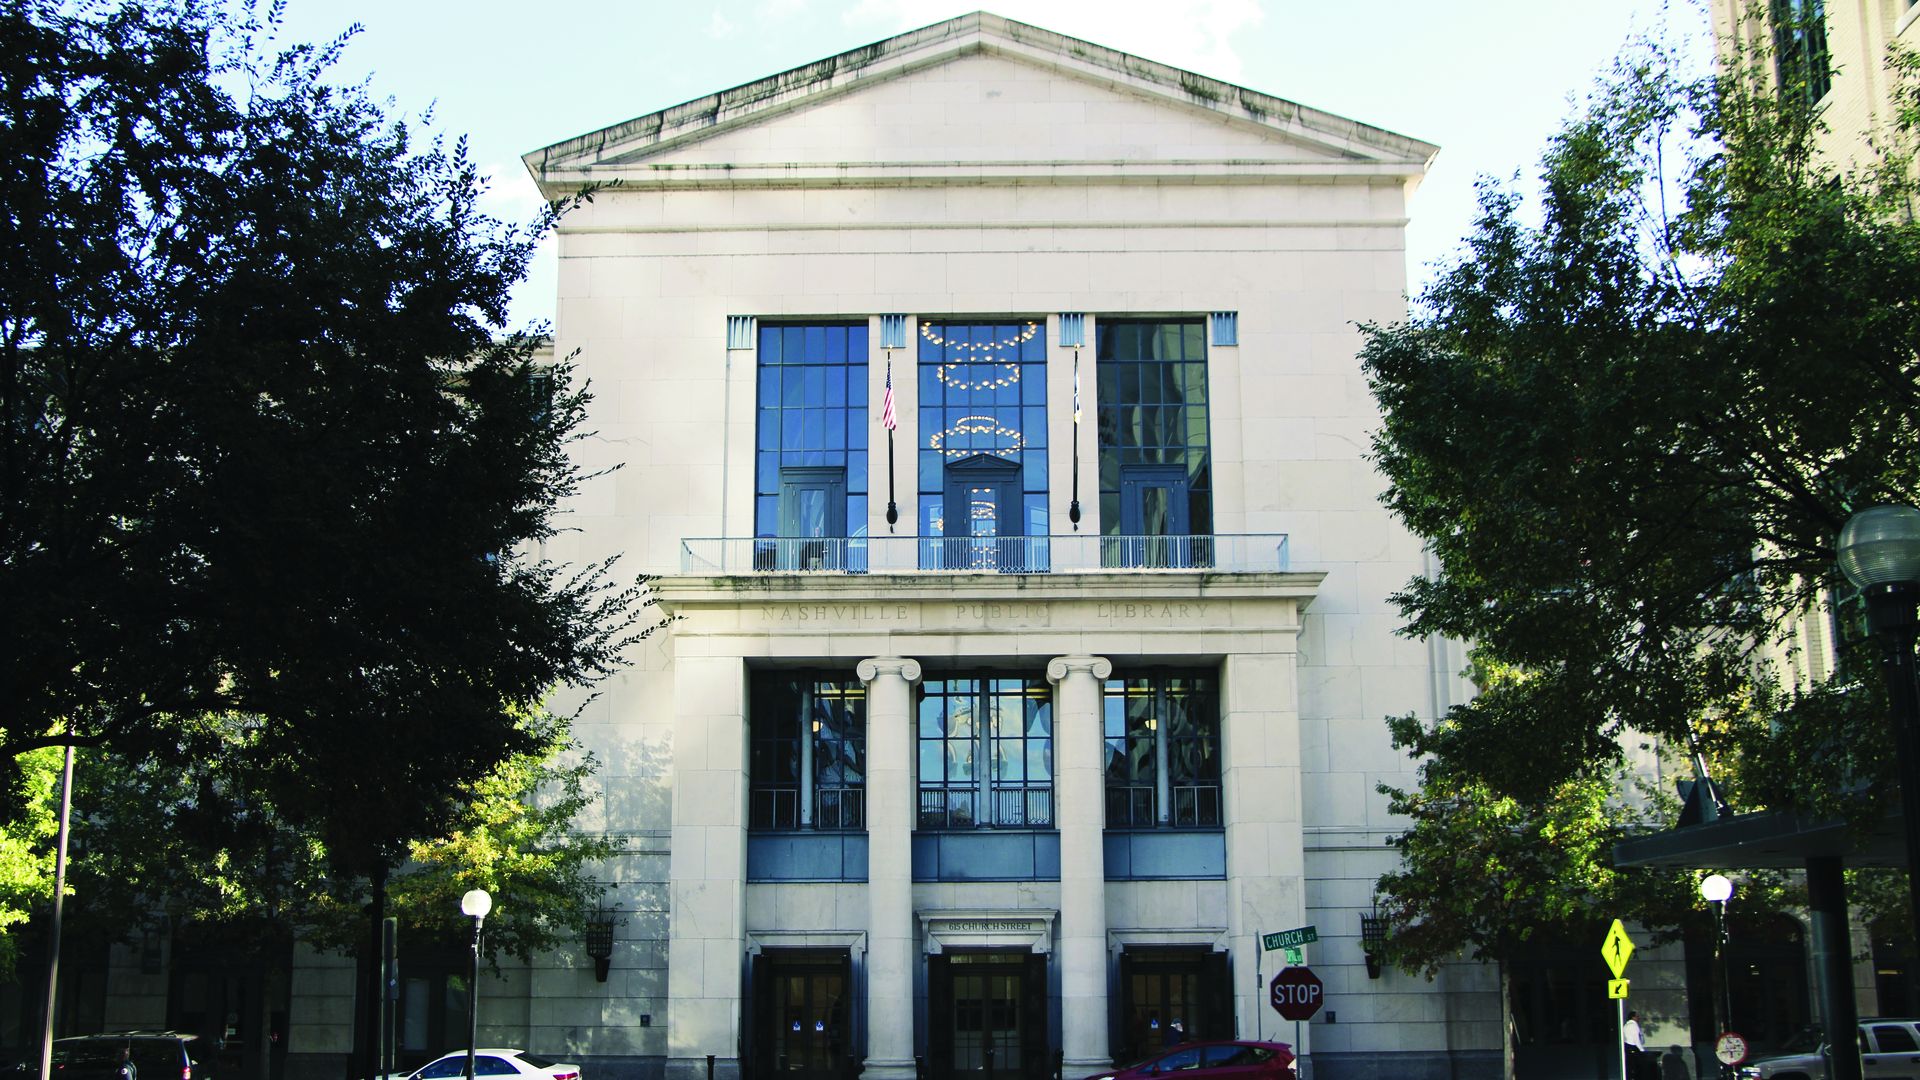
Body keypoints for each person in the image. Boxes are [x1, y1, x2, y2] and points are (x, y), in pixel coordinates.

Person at [1624, 1012, 1648, 1080]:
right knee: (1637, 1066)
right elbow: (1636, 1039)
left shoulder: (1626, 1025)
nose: (1638, 1018)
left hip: (1627, 1047)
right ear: (1633, 1017)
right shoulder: (1633, 1025)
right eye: (1637, 1016)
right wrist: (1642, 1050)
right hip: (1633, 1047)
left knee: (1630, 1066)